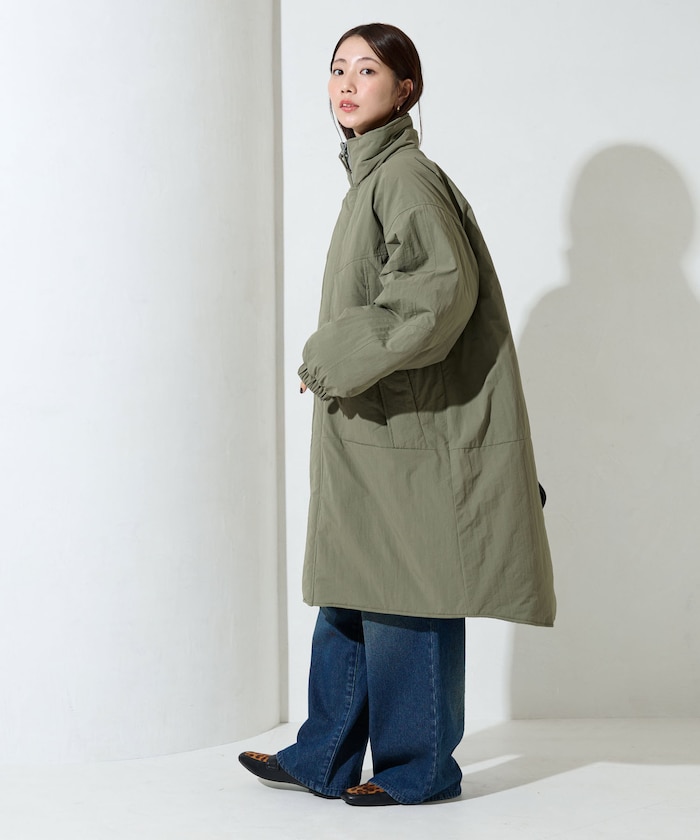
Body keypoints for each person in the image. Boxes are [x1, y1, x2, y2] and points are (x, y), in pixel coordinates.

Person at [239, 22, 555, 806]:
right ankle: (324, 756)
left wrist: (329, 356)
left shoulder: (404, 177)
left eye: (368, 70)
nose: (347, 84)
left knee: (408, 597)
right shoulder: (372, 178)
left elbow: (435, 295)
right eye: (337, 69)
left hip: (403, 435)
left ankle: (419, 769)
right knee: (351, 586)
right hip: (372, 431)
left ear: (405, 88)